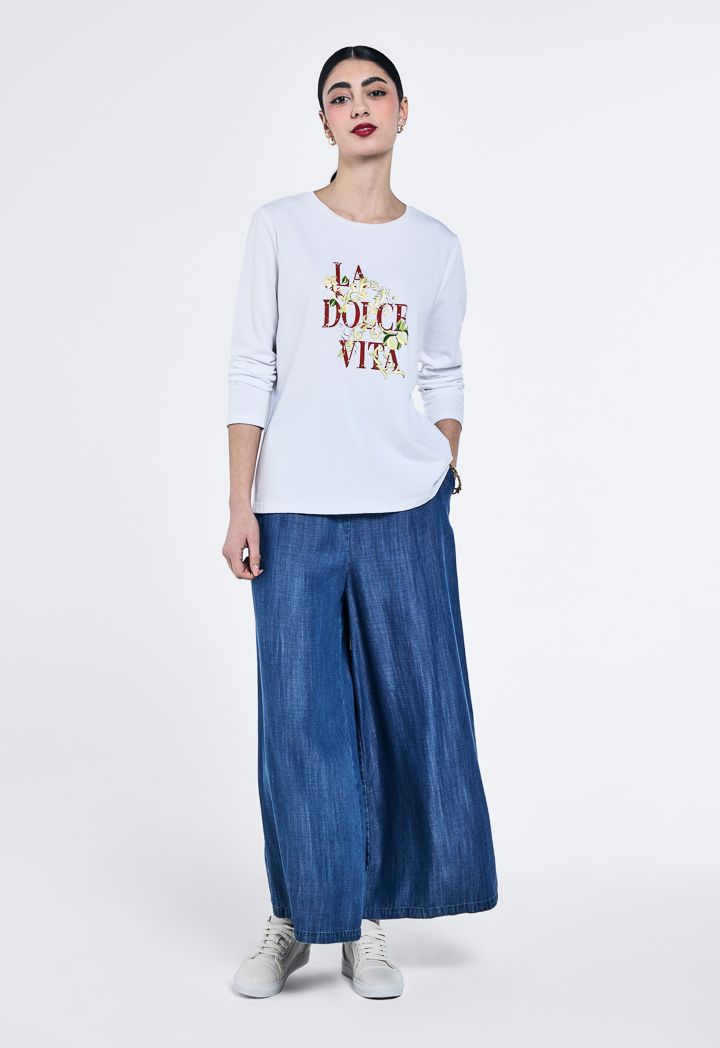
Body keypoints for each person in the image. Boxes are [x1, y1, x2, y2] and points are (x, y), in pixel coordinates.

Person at [222, 44, 498, 1000]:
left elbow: (444, 370)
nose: (359, 105)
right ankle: (299, 916)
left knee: (403, 712)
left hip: (403, 511)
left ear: (403, 110)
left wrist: (442, 460)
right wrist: (240, 502)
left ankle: (365, 920)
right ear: (325, 122)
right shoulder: (280, 227)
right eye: (340, 95)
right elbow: (251, 365)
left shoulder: (435, 246)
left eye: (375, 90)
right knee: (299, 720)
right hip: (294, 506)